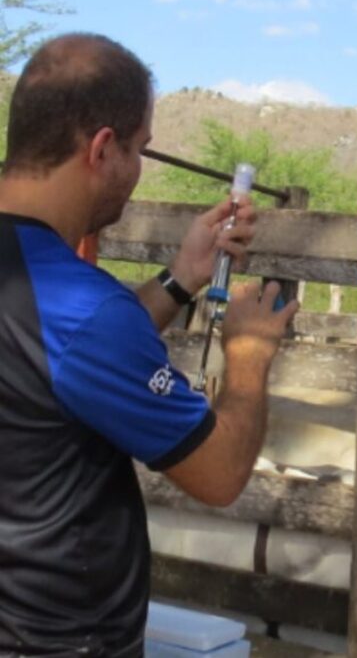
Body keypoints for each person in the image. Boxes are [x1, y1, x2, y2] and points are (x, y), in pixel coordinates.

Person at [0, 32, 298, 657]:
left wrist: (181, 278)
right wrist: (249, 354)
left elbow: (60, 361)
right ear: (103, 148)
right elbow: (218, 476)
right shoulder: (81, 310)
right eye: (139, 149)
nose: (136, 170)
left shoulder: (54, 302)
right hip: (58, 640)